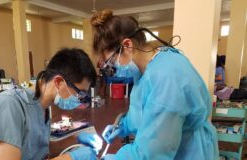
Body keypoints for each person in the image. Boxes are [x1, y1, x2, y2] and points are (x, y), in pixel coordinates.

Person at [91, 10, 219, 160]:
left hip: (190, 151)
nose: (115, 70)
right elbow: (141, 112)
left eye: (112, 63)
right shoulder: (145, 72)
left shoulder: (167, 77)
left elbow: (151, 153)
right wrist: (122, 127)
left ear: (127, 46)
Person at [0, 48, 100, 160]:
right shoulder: (9, 104)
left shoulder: (43, 107)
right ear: (59, 82)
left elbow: (40, 148)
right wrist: (71, 158)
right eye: (79, 92)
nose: (79, 99)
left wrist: (75, 140)